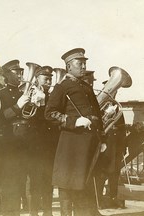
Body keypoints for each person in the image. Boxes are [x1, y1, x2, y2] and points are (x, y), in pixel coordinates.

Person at [45, 48, 106, 216]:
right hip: (71, 144)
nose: (83, 66)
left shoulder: (86, 86)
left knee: (84, 185)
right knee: (67, 185)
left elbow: (97, 113)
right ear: (69, 66)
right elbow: (49, 113)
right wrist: (75, 121)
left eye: (85, 63)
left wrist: (103, 138)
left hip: (89, 144)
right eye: (80, 63)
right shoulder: (62, 86)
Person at [0, 59, 30, 216]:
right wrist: (18, 106)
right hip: (7, 144)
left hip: (23, 144)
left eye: (21, 72)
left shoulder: (23, 93)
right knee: (8, 183)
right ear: (7, 75)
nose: (21, 75)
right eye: (17, 72)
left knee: (21, 182)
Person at [26, 66, 60, 216]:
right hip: (34, 145)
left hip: (50, 145)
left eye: (50, 79)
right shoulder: (30, 94)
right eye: (46, 79)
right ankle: (33, 212)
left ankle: (48, 212)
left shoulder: (53, 96)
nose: (49, 82)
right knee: (34, 181)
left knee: (48, 181)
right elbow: (28, 117)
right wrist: (36, 103)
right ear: (37, 79)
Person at [96, 80, 127, 209]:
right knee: (102, 173)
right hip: (105, 143)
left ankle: (112, 198)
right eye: (111, 91)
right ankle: (99, 199)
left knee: (115, 173)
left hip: (116, 145)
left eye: (115, 91)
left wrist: (123, 147)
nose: (113, 94)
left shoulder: (117, 107)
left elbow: (122, 128)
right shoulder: (100, 106)